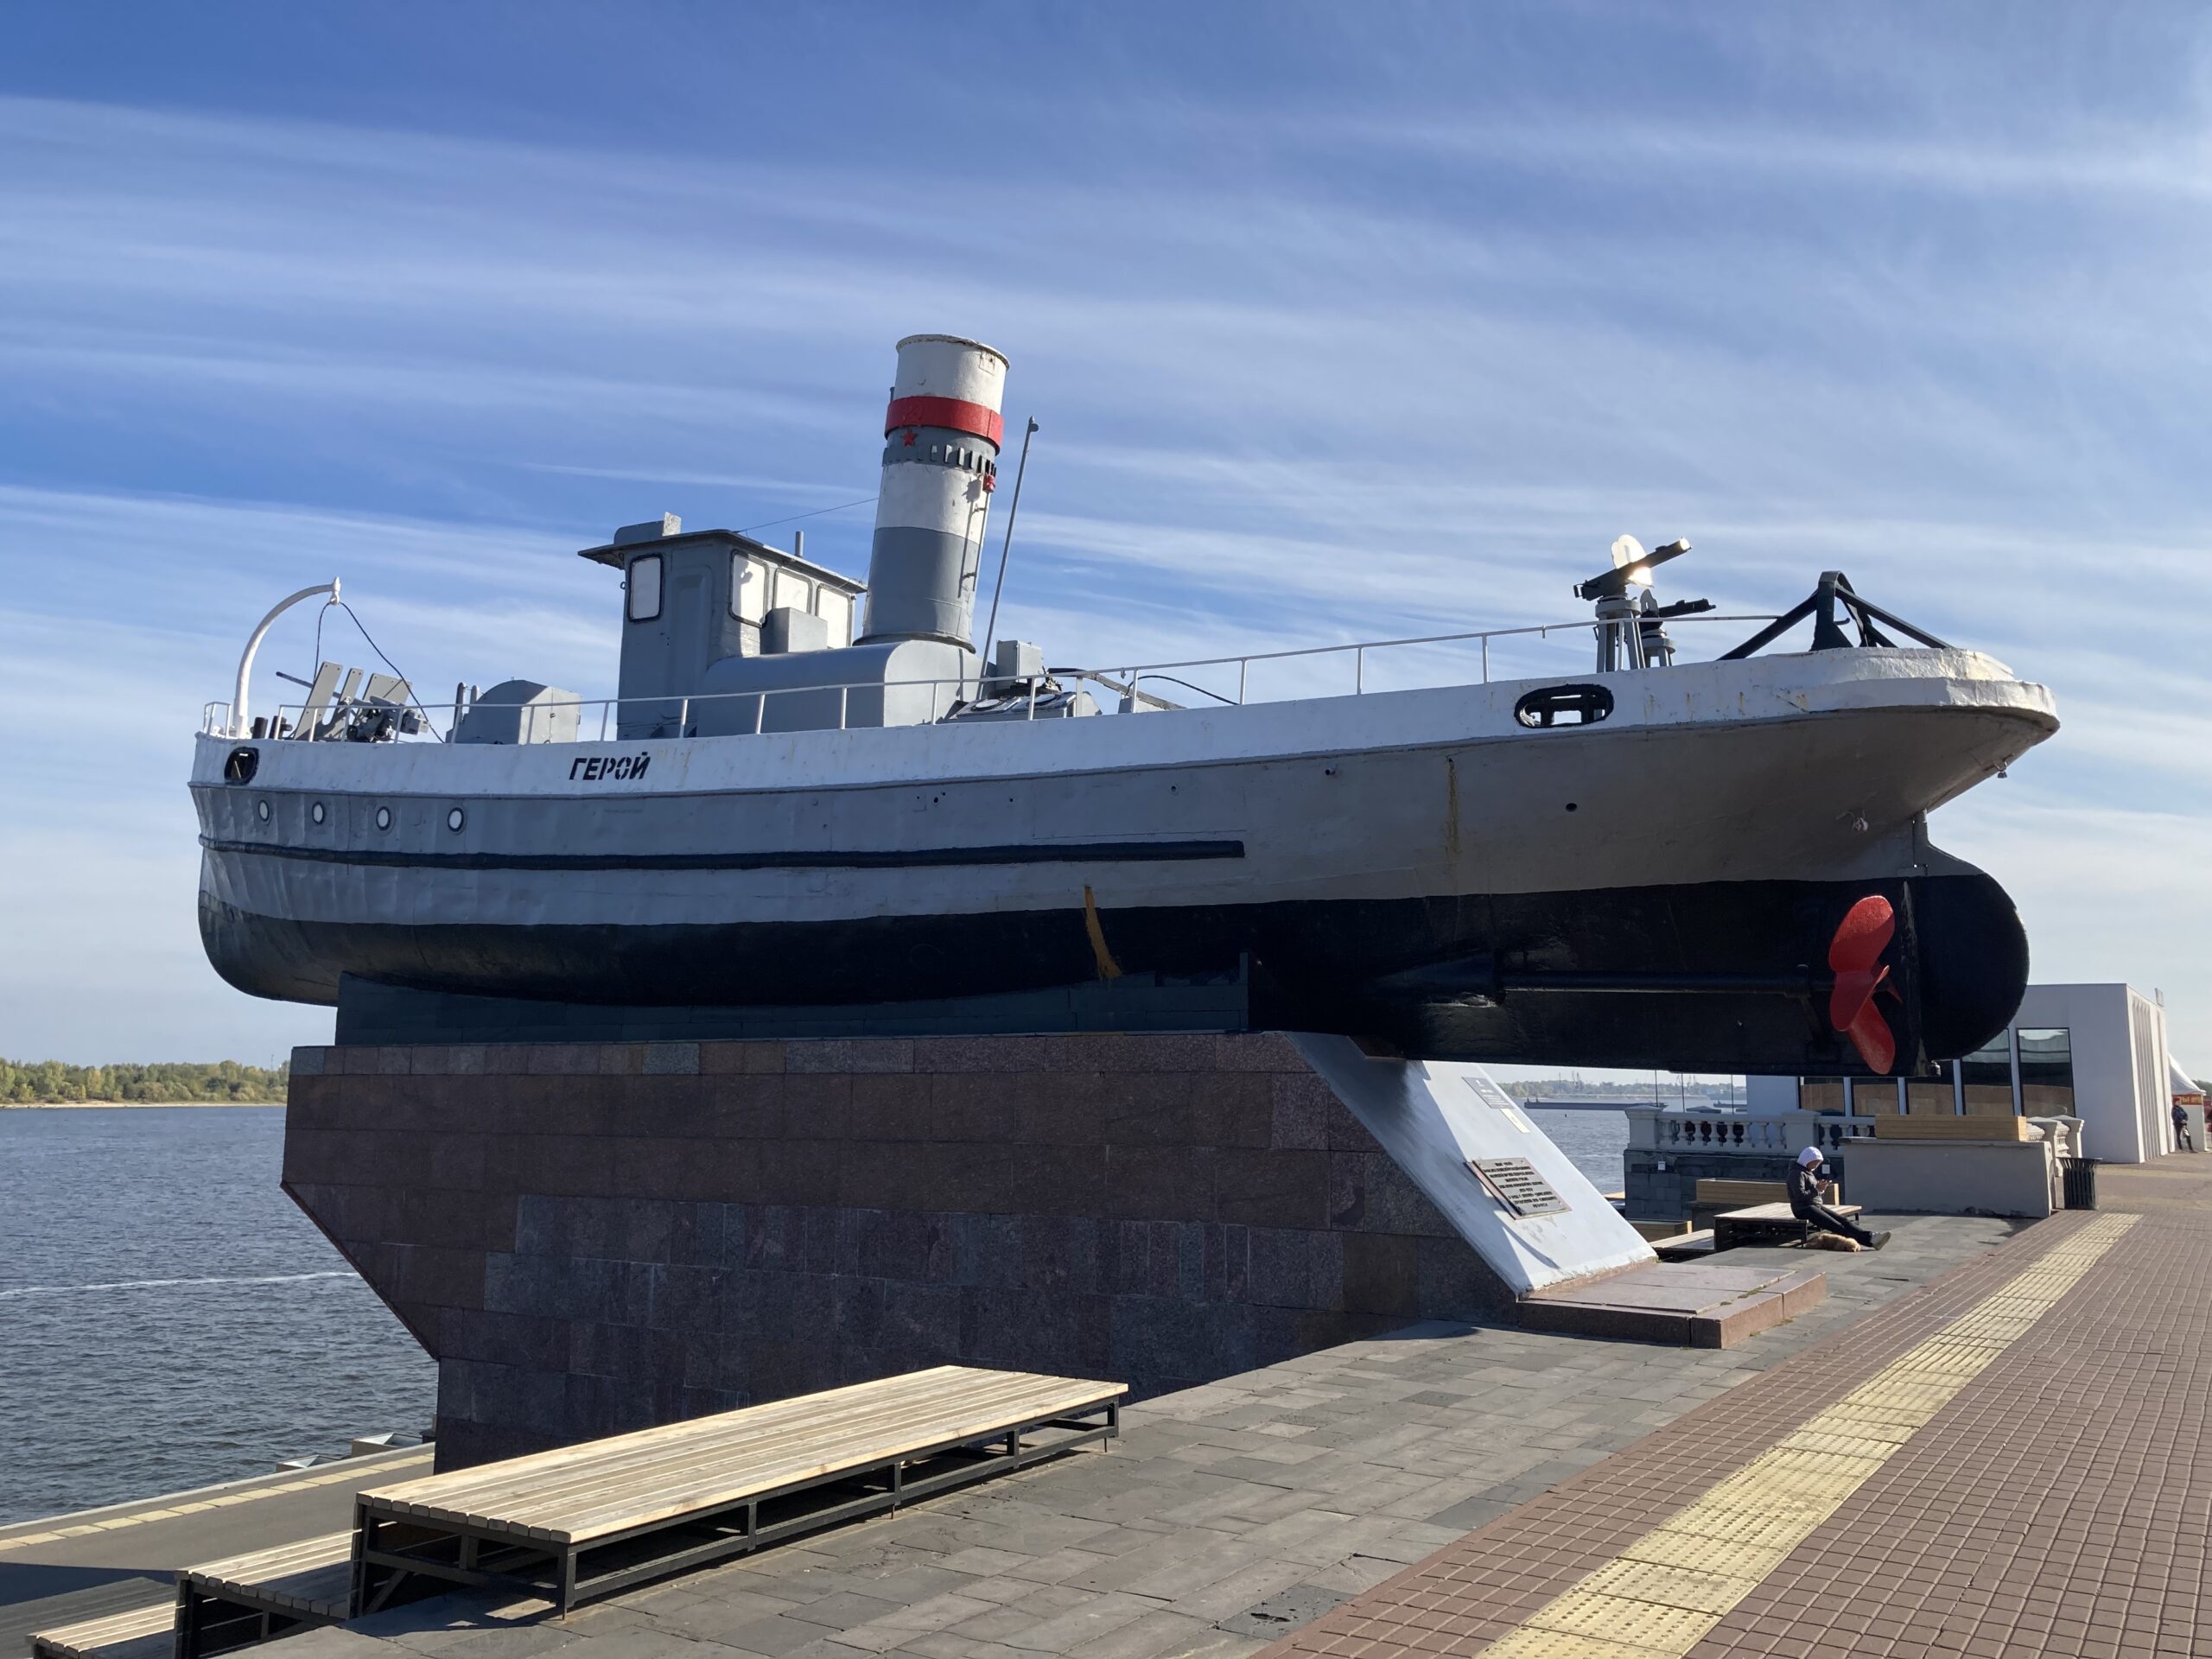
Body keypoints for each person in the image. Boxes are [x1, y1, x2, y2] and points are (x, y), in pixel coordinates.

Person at [1789, 1147, 1890, 1249]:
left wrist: (1820, 1189)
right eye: (1815, 1162)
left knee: (1843, 1221)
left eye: (1818, 1163)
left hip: (1814, 1205)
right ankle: (1871, 1240)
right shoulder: (1797, 1174)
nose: (1816, 1166)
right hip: (1804, 1209)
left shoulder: (1807, 1172)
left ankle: (1872, 1237)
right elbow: (1799, 1196)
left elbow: (1812, 1191)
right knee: (1837, 1226)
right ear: (1807, 1160)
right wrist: (1817, 1189)